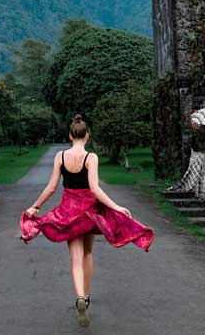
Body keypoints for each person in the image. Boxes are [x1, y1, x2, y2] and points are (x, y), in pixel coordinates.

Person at [20, 114, 154, 327]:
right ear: (88, 136)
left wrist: (35, 206)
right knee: (88, 253)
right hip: (89, 213)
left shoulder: (60, 156)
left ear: (70, 135)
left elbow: (51, 187)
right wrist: (116, 206)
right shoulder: (91, 158)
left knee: (76, 258)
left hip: (67, 213)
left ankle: (80, 297)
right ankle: (87, 297)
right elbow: (94, 188)